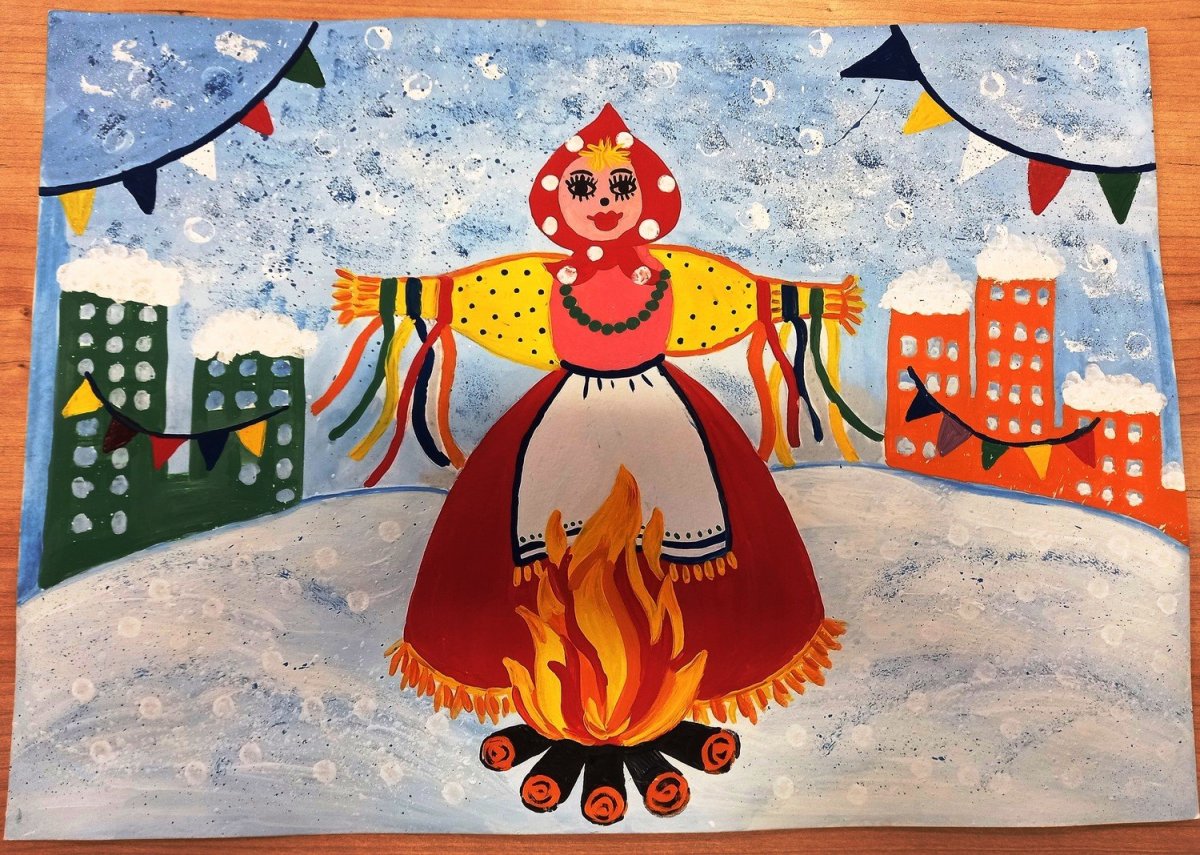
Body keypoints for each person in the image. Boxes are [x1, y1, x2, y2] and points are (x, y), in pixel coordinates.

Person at [386, 105, 846, 757]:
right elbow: (467, 296)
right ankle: (567, 672)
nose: (603, 202)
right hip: (567, 414)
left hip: (661, 409)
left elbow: (743, 298)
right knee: (550, 526)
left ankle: (670, 674)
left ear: (645, 197)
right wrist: (393, 298)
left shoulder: (671, 274)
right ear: (558, 202)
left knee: (679, 521)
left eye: (619, 186)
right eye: (584, 188)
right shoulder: (541, 280)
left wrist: (816, 302)